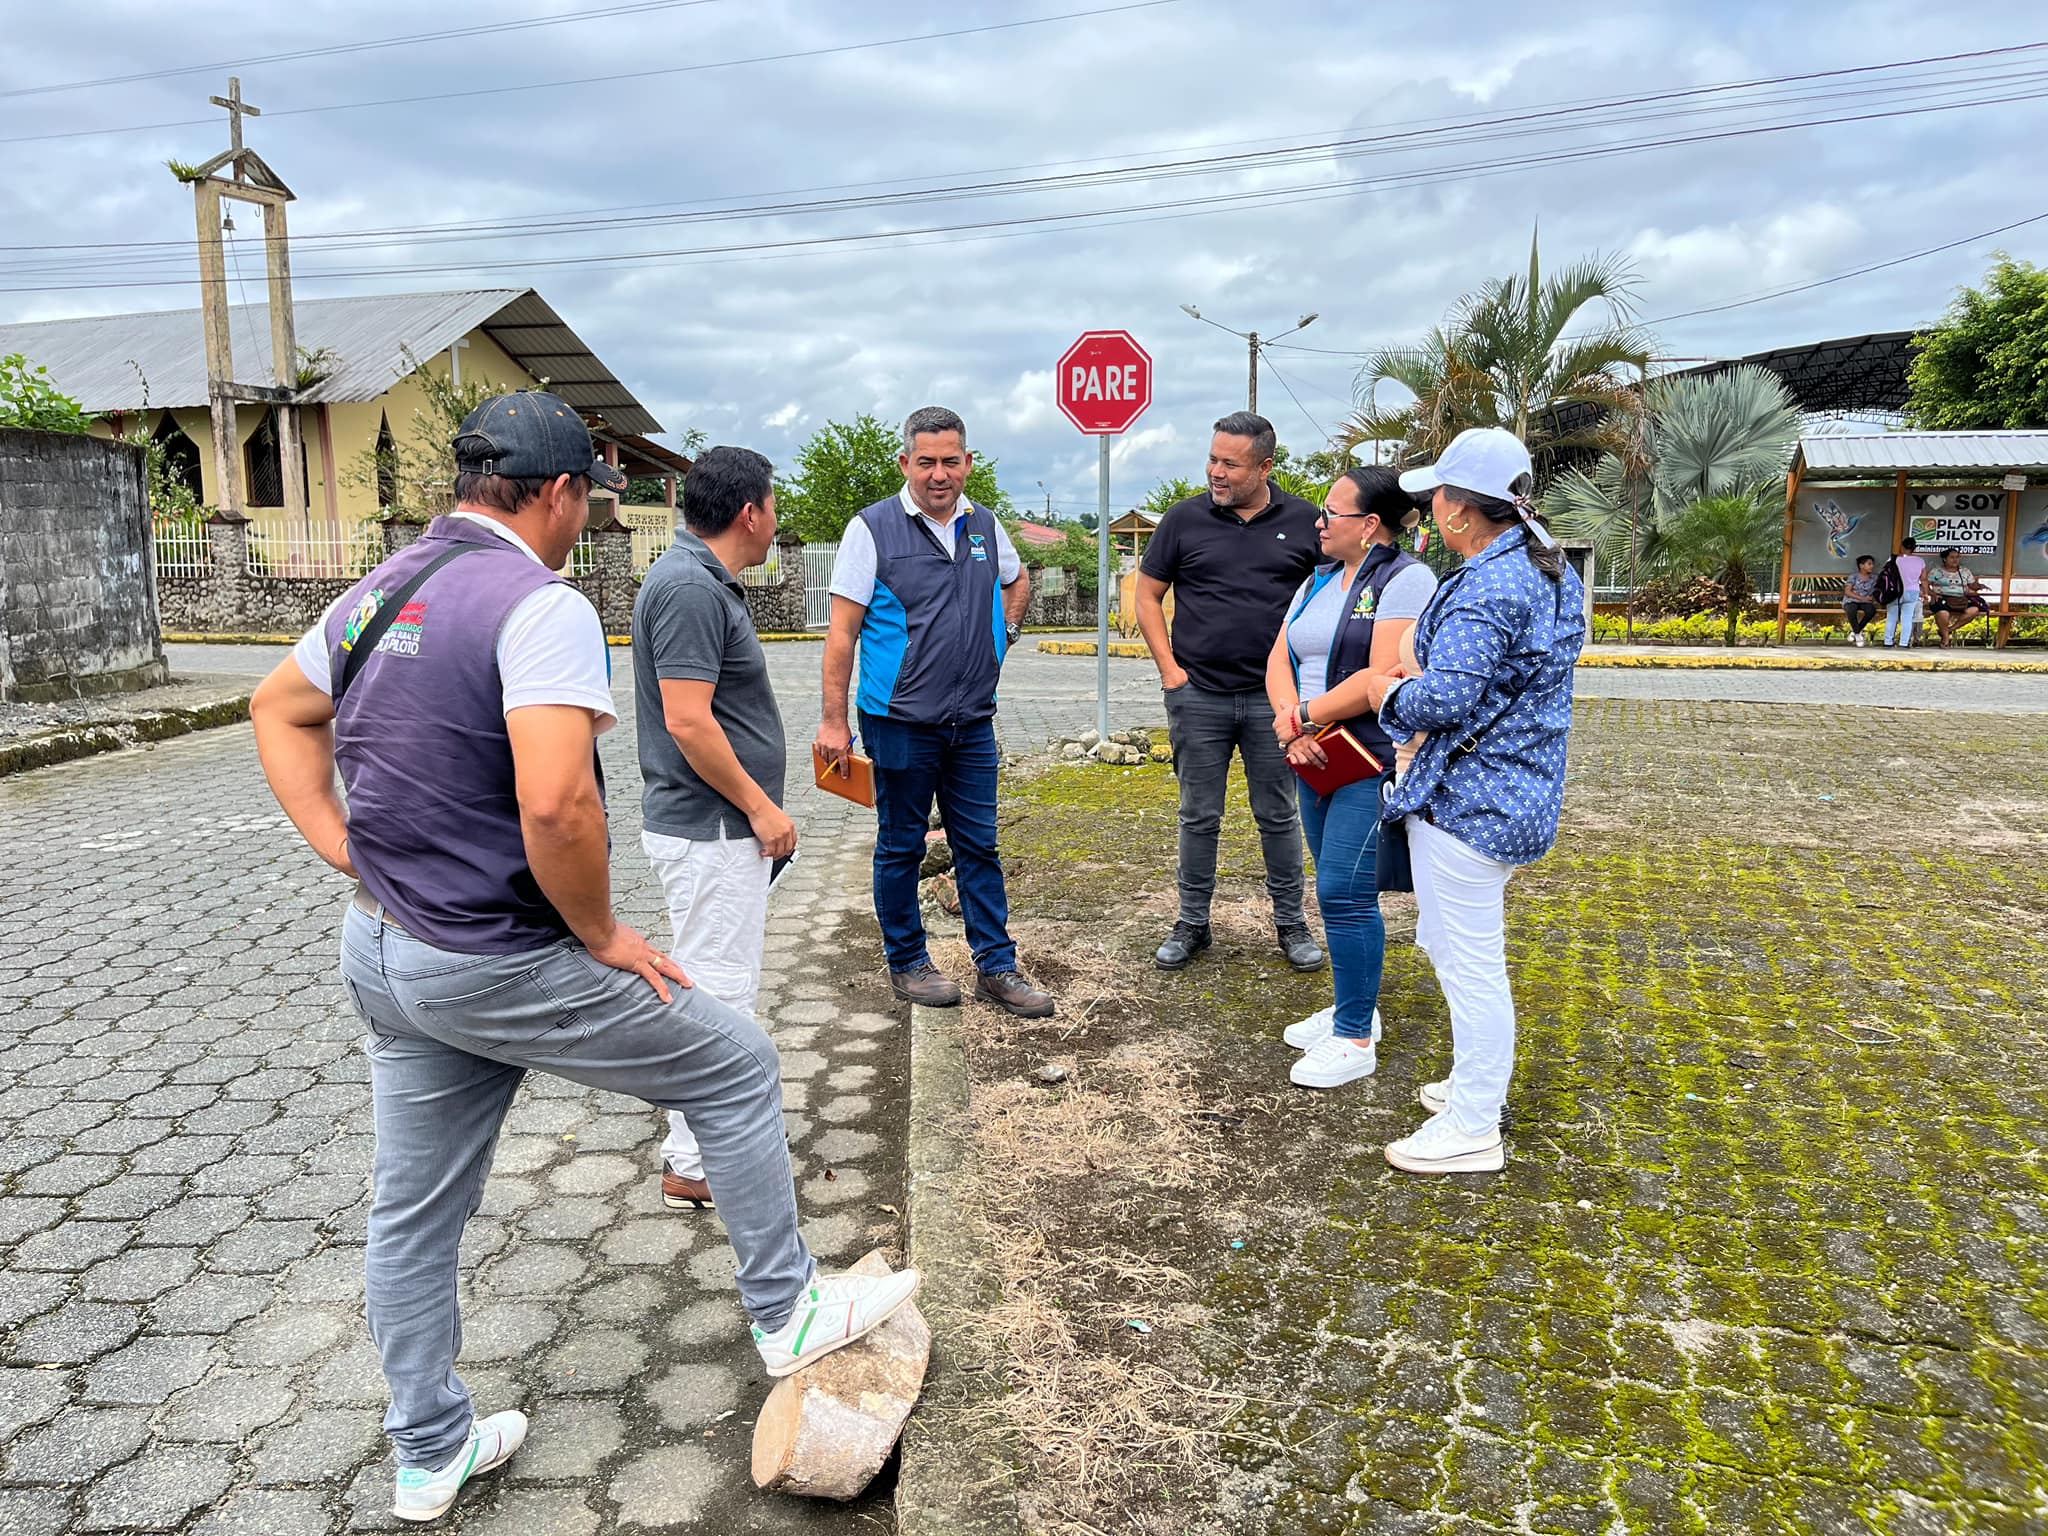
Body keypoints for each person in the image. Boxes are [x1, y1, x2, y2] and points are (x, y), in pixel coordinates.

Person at [250, 392, 918, 1524]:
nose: (586, 522)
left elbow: (277, 709)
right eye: (589, 502)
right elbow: (558, 804)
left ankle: (429, 1450)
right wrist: (603, 934)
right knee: (734, 1061)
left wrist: (348, 852)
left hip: (386, 950)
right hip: (494, 955)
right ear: (559, 493)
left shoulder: (384, 586)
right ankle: (788, 1310)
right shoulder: (539, 604)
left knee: (412, 1211)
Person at [1357, 427, 1585, 1176]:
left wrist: (1387, 692)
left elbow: (1446, 698)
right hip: (1514, 791)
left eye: (1436, 497)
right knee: (1453, 946)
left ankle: (1475, 1125)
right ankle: (1470, 1087)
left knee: (1470, 964)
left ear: (1459, 510)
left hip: (1471, 800)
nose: (1430, 509)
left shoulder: (1492, 583)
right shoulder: (1543, 565)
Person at [815, 406, 1054, 1018]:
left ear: (968, 462)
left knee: (980, 845)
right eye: (926, 462)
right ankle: (908, 961)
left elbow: (1016, 579)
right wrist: (834, 721)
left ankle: (996, 966)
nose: (939, 474)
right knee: (902, 845)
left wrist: (1004, 635)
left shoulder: (985, 525)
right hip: (898, 722)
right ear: (905, 463)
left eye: (951, 461)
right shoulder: (871, 529)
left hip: (972, 721)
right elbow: (842, 633)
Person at [631, 446, 793, 1213]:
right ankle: (695, 1161)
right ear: (749, 512)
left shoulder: (698, 580)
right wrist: (759, 807)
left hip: (715, 830)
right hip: (714, 829)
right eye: (774, 506)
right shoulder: (690, 588)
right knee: (720, 996)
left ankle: (708, 1143)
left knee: (715, 984)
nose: (776, 521)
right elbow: (689, 721)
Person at [1136, 412, 1327, 975]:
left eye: (1230, 464)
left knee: (1279, 815)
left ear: (1265, 467)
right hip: (1199, 696)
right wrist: (1171, 672)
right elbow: (1147, 596)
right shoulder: (1183, 519)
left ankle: (1291, 924)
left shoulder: (1306, 521)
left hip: (1277, 703)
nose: (1215, 472)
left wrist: (1308, 692)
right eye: (1212, 459)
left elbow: (1331, 600)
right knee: (1198, 816)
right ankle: (1192, 923)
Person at [1264, 467, 1436, 1089]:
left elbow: (1379, 677)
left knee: (1344, 891)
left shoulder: (1406, 579)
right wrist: (1293, 728)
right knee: (1333, 886)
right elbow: (1278, 657)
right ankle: (1354, 1004)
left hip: (1369, 758)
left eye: (1331, 513)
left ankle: (1355, 1035)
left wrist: (1305, 718)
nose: (1318, 522)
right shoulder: (1316, 580)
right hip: (1311, 755)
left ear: (1369, 525)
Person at [1925, 547, 1990, 647]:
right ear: (1944, 559)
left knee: (1974, 610)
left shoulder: (1965, 571)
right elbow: (1924, 585)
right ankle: (1946, 638)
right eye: (1952, 557)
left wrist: (1980, 586)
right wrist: (1932, 593)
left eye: (1957, 557)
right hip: (1941, 598)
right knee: (1943, 613)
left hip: (1960, 599)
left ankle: (1949, 630)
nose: (1955, 560)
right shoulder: (1936, 571)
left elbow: (1972, 585)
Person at [1883, 536, 1927, 648]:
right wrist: (1925, 593)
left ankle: (1888, 641)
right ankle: (1904, 643)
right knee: (1907, 618)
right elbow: (1924, 579)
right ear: (1914, 548)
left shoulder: (1893, 560)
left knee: (1892, 617)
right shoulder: (1920, 561)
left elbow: (1886, 575)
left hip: (1895, 592)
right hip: (1913, 592)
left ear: (1902, 547)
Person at [1841, 554, 1881, 647]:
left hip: (1866, 602)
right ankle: (1858, 635)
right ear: (1861, 565)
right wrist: (1862, 598)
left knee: (1871, 610)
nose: (1872, 566)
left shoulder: (1874, 578)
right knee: (1851, 610)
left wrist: (1873, 597)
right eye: (1869, 564)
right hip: (1851, 600)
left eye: (1872, 564)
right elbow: (1847, 591)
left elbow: (1877, 590)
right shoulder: (1853, 576)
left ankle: (1855, 631)